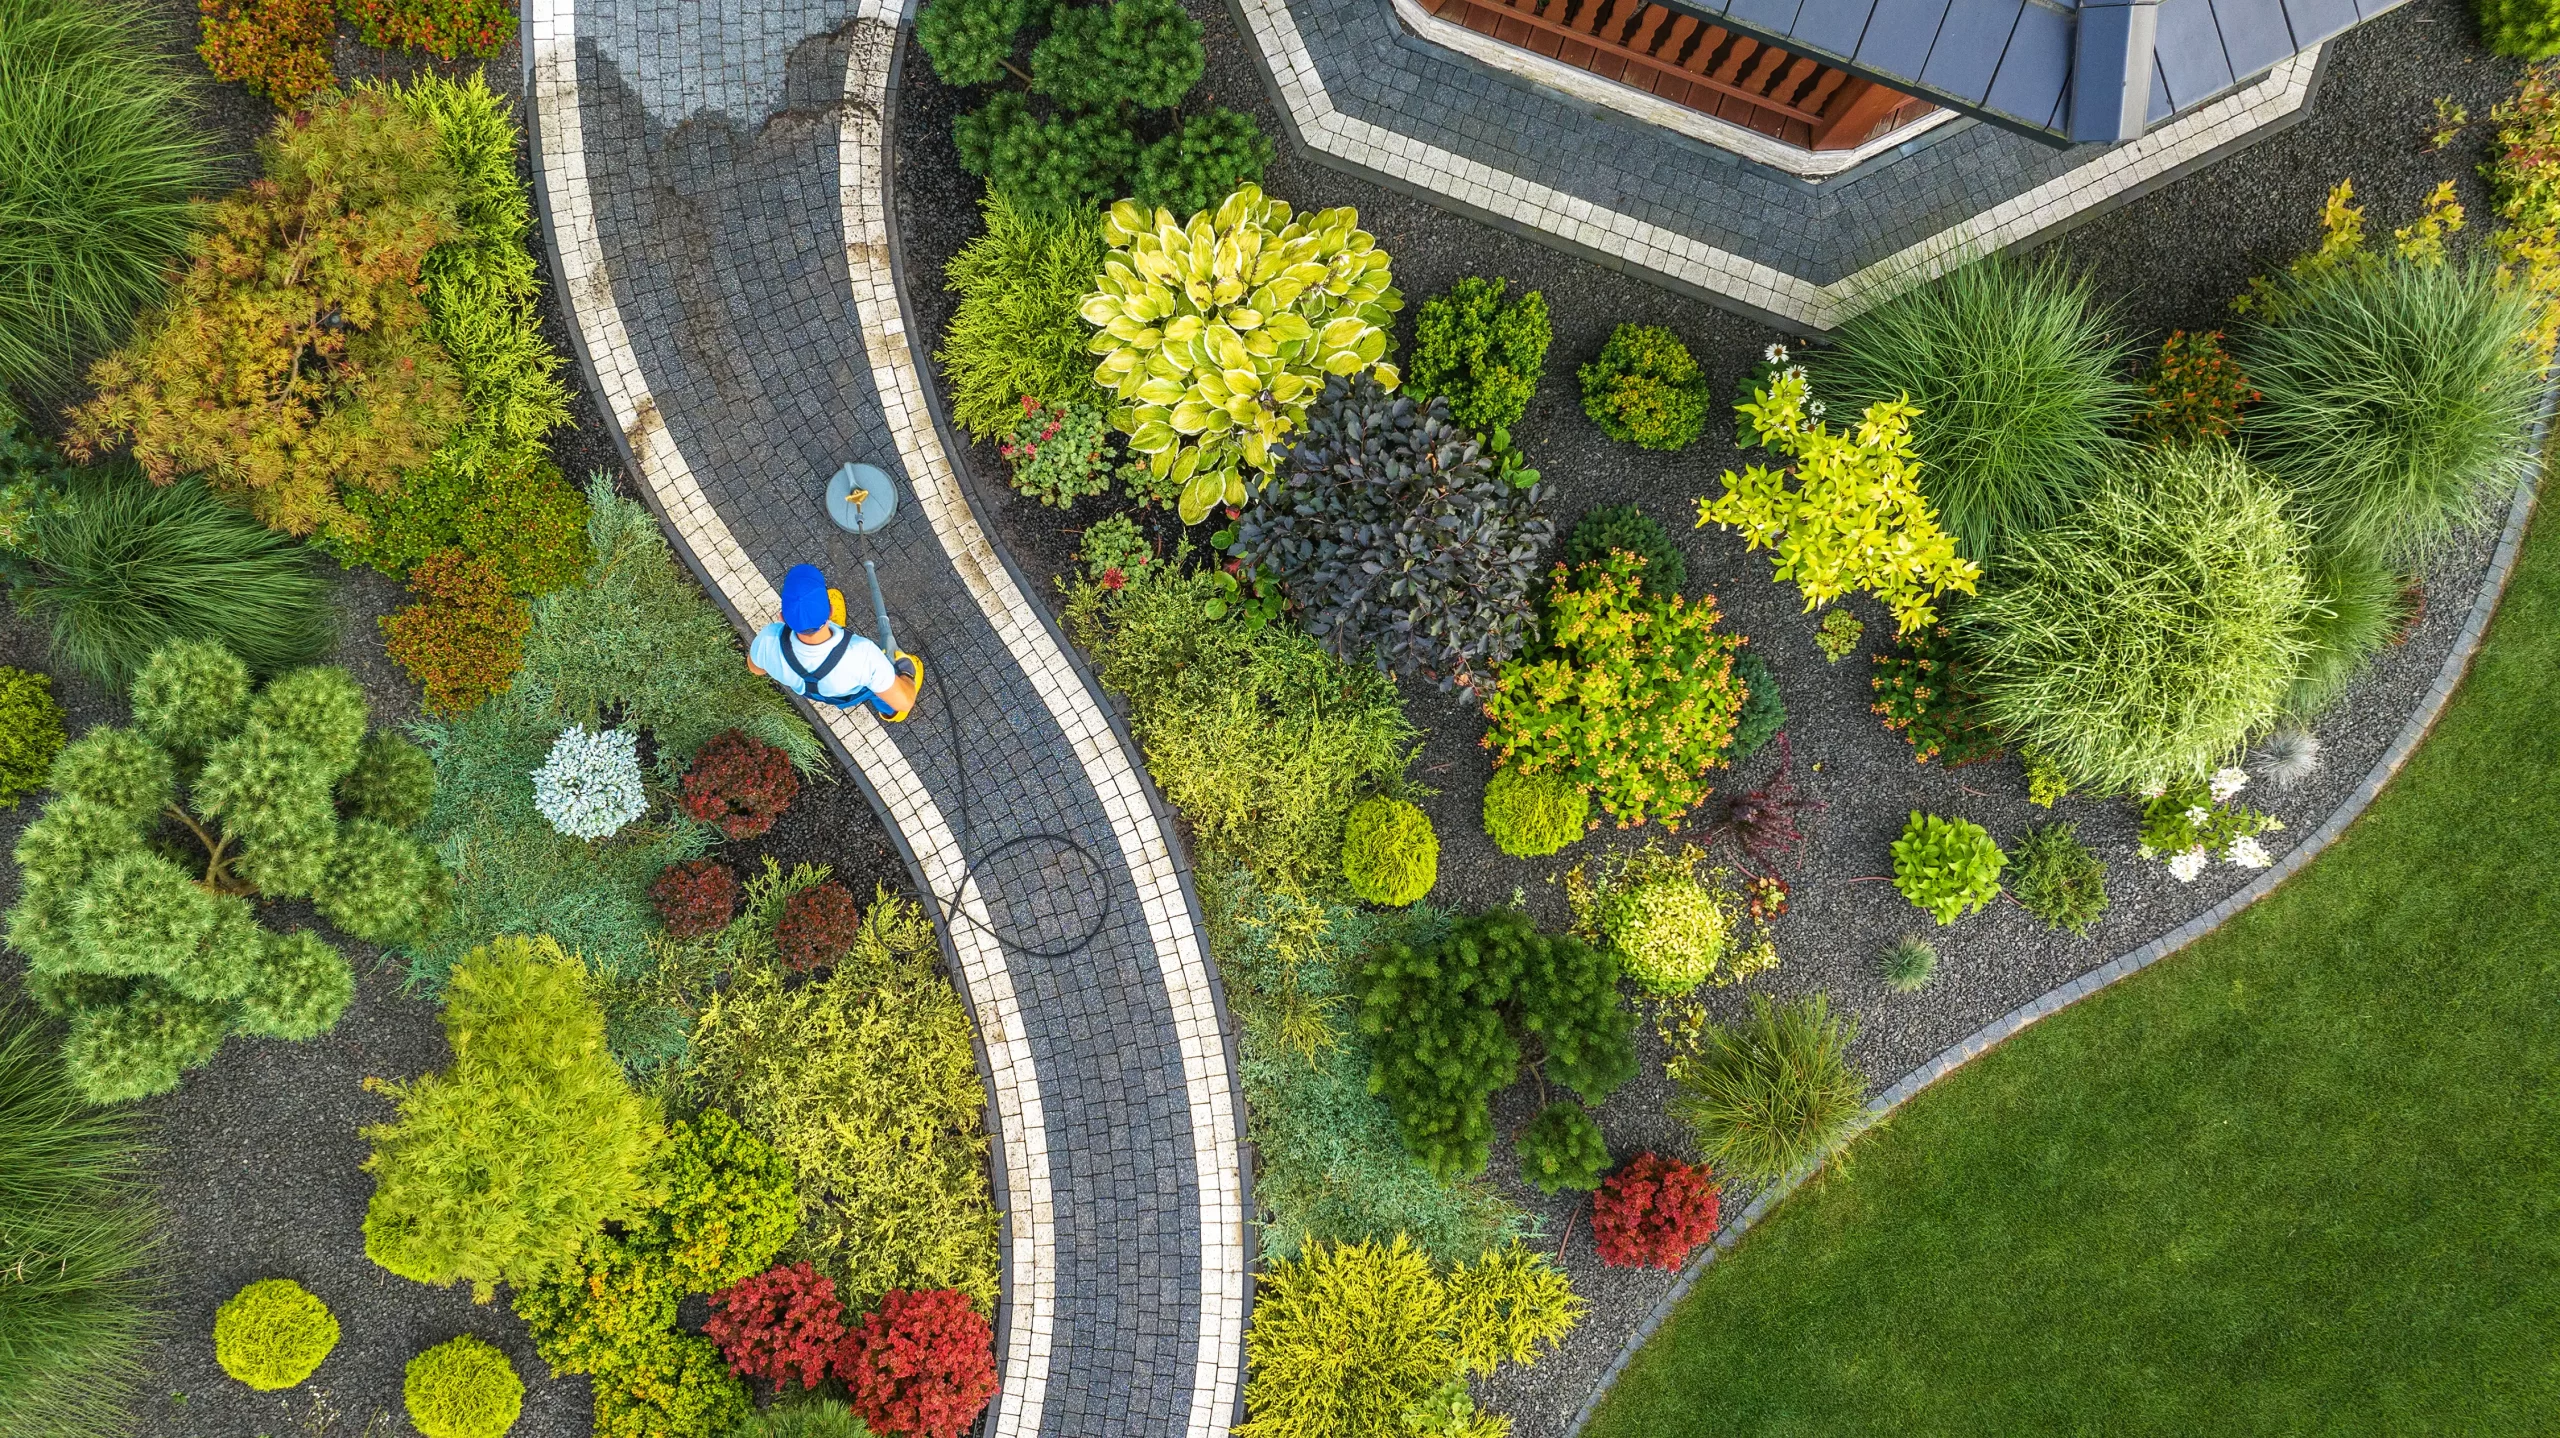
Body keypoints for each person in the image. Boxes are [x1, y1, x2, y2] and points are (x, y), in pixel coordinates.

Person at [746, 563, 919, 720]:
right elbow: (905, 702)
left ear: (782, 617)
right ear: (830, 611)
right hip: (855, 690)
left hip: (825, 694)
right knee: (879, 691)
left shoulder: (767, 641)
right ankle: (891, 713)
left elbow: (756, 669)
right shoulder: (863, 655)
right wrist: (907, 673)